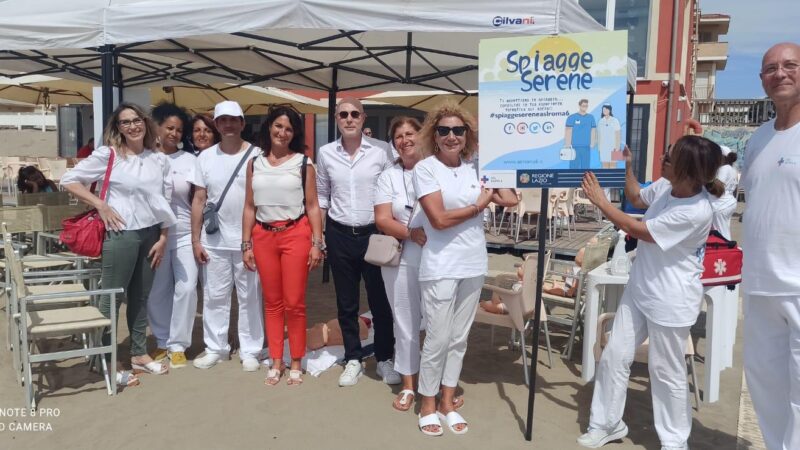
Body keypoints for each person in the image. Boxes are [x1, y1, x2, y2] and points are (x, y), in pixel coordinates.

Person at [576, 135, 724, 449]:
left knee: (666, 371)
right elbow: (635, 196)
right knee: (614, 355)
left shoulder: (697, 210)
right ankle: (606, 423)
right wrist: (628, 166)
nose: (662, 159)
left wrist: (601, 202)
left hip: (671, 300)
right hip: (640, 289)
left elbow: (641, 231)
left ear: (685, 169)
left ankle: (674, 441)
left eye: (668, 158)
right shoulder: (667, 187)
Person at [413, 102, 518, 436]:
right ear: (434, 134)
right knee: (438, 337)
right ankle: (427, 403)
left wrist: (492, 160)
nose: (451, 136)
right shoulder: (425, 169)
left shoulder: (476, 167)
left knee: (459, 338)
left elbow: (510, 198)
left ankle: (447, 400)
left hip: (473, 262)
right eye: (443, 130)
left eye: (458, 130)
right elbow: (439, 220)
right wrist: (479, 205)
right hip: (441, 265)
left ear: (467, 135)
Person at [61, 102, 177, 384]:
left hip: (150, 233)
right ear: (118, 128)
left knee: (140, 297)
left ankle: (139, 353)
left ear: (145, 123)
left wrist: (163, 237)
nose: (133, 126)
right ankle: (103, 357)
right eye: (125, 122)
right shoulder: (108, 155)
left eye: (136, 120)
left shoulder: (157, 159)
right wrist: (100, 204)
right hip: (120, 233)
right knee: (111, 296)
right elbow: (68, 179)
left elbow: (164, 201)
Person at [740, 42, 800, 450]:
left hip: (797, 285)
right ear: (762, 80)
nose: (780, 73)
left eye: (790, 65)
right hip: (759, 283)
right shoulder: (757, 140)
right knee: (765, 387)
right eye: (770, 68)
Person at [316, 97, 399, 387]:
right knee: (346, 303)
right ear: (337, 119)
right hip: (339, 233)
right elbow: (322, 196)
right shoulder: (325, 153)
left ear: (363, 118)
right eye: (343, 115)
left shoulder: (381, 151)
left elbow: (393, 188)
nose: (349, 119)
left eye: (354, 114)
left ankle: (385, 358)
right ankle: (353, 358)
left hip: (374, 234)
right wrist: (320, 236)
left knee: (381, 302)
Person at [242, 106, 325, 386]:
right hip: (263, 235)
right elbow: (249, 206)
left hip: (295, 233)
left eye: (288, 129)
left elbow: (313, 206)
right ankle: (276, 360)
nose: (282, 133)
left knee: (294, 302)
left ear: (295, 133)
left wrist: (317, 243)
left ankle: (296, 360)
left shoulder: (303, 163)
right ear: (269, 128)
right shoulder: (255, 163)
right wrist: (246, 244)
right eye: (278, 126)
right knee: (272, 302)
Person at [190, 100, 264, 372]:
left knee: (250, 297)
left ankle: (250, 349)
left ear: (243, 123)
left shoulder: (258, 155)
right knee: (215, 296)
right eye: (223, 121)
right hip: (215, 241)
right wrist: (196, 240)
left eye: (234, 119)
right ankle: (216, 347)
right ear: (217, 125)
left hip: (250, 239)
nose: (229, 125)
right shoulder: (205, 157)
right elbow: (198, 200)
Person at [374, 116, 427, 411]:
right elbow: (382, 218)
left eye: (410, 134)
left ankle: (434, 382)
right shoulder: (388, 176)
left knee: (435, 323)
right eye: (399, 136)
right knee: (405, 324)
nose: (405, 140)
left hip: (436, 257)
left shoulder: (437, 168)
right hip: (399, 256)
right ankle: (409, 385)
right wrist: (411, 233)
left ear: (422, 135)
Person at [145, 102, 199, 369]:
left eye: (179, 130)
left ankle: (178, 344)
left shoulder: (190, 160)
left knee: (187, 288)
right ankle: (162, 340)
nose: (174, 134)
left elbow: (199, 199)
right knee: (158, 290)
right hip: (155, 235)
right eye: (169, 128)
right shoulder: (143, 158)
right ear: (156, 126)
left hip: (185, 231)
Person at [710, 146, 739, 240]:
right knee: (724, 229)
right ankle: (728, 249)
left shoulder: (724, 168)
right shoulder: (732, 169)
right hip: (728, 202)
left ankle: (725, 251)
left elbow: (717, 187)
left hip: (720, 205)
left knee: (720, 232)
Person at [564, 99, 597, 170]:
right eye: (583, 106)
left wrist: (592, 143)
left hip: (586, 147)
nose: (585, 107)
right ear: (579, 106)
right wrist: (567, 144)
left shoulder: (591, 117)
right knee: (573, 167)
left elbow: (593, 130)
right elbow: (568, 131)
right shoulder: (572, 117)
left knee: (586, 167)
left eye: (586, 106)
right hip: (574, 147)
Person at [597, 104, 621, 169]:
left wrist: (617, 148)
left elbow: (618, 134)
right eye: (603, 110)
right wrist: (599, 148)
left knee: (613, 166)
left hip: (614, 147)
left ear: (609, 110)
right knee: (604, 166)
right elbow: (599, 135)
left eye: (606, 109)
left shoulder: (615, 120)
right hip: (603, 147)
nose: (604, 111)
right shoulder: (600, 121)